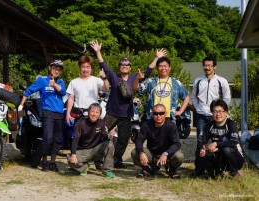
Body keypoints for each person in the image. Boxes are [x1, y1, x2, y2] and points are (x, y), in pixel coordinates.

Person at [90, 40, 167, 168]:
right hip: (112, 113)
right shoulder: (114, 77)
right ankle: (98, 159)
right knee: (101, 134)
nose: (124, 66)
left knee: (123, 139)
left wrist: (157, 58)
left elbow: (148, 70)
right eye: (122, 64)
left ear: (130, 67)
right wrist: (98, 51)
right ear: (119, 67)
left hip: (126, 114)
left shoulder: (134, 77)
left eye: (127, 64)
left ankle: (117, 160)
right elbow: (103, 64)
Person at [18, 60, 66, 172]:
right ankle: (44, 161)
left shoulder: (61, 82)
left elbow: (63, 92)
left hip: (59, 113)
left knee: (57, 139)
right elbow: (28, 90)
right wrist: (21, 105)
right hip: (47, 112)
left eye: (59, 69)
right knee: (47, 138)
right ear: (50, 68)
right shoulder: (42, 81)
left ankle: (52, 162)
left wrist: (54, 84)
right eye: (55, 68)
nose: (57, 71)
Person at [191, 56, 231, 176]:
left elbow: (227, 98)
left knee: (219, 140)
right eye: (205, 65)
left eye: (209, 65)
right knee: (200, 141)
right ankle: (199, 168)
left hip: (216, 116)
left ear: (215, 67)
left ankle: (220, 166)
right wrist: (198, 108)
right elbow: (194, 96)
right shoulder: (198, 81)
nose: (207, 68)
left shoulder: (221, 81)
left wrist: (219, 112)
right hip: (201, 116)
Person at [131, 104, 184, 179]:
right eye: (155, 114)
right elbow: (139, 140)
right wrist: (141, 153)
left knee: (179, 156)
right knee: (135, 152)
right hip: (152, 155)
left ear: (165, 114)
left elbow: (177, 144)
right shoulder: (146, 125)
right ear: (152, 114)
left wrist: (166, 153)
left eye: (161, 113)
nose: (158, 116)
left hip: (167, 155)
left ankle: (171, 170)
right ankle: (146, 169)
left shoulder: (171, 126)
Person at [195, 99, 244, 178]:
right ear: (212, 113)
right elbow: (200, 141)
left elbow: (233, 142)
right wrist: (202, 149)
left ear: (226, 112)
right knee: (201, 153)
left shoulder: (231, 124)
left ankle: (234, 172)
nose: (218, 114)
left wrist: (216, 144)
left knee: (227, 150)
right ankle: (216, 173)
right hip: (219, 156)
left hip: (235, 158)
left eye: (220, 111)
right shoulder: (209, 125)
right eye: (215, 111)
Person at [133, 56, 189, 122]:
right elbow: (136, 89)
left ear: (169, 68)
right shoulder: (150, 81)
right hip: (152, 116)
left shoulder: (176, 82)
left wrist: (180, 111)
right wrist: (137, 78)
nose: (163, 68)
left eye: (165, 66)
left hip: (169, 117)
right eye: (160, 66)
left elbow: (186, 97)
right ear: (157, 68)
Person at [67, 103, 115, 178]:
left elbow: (104, 138)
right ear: (88, 112)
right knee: (70, 158)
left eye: (97, 112)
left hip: (96, 151)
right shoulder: (80, 123)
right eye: (92, 111)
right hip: (83, 151)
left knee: (110, 144)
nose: (94, 114)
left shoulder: (101, 123)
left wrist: (109, 136)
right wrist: (73, 154)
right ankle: (84, 167)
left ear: (99, 115)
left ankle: (106, 171)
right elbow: (75, 139)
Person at [65, 55, 109, 125]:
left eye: (88, 67)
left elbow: (106, 88)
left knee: (94, 135)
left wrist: (105, 78)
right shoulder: (73, 82)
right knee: (78, 135)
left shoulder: (96, 80)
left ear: (91, 68)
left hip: (93, 115)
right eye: (83, 67)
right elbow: (71, 98)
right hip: (78, 114)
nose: (85, 69)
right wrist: (68, 113)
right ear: (80, 68)